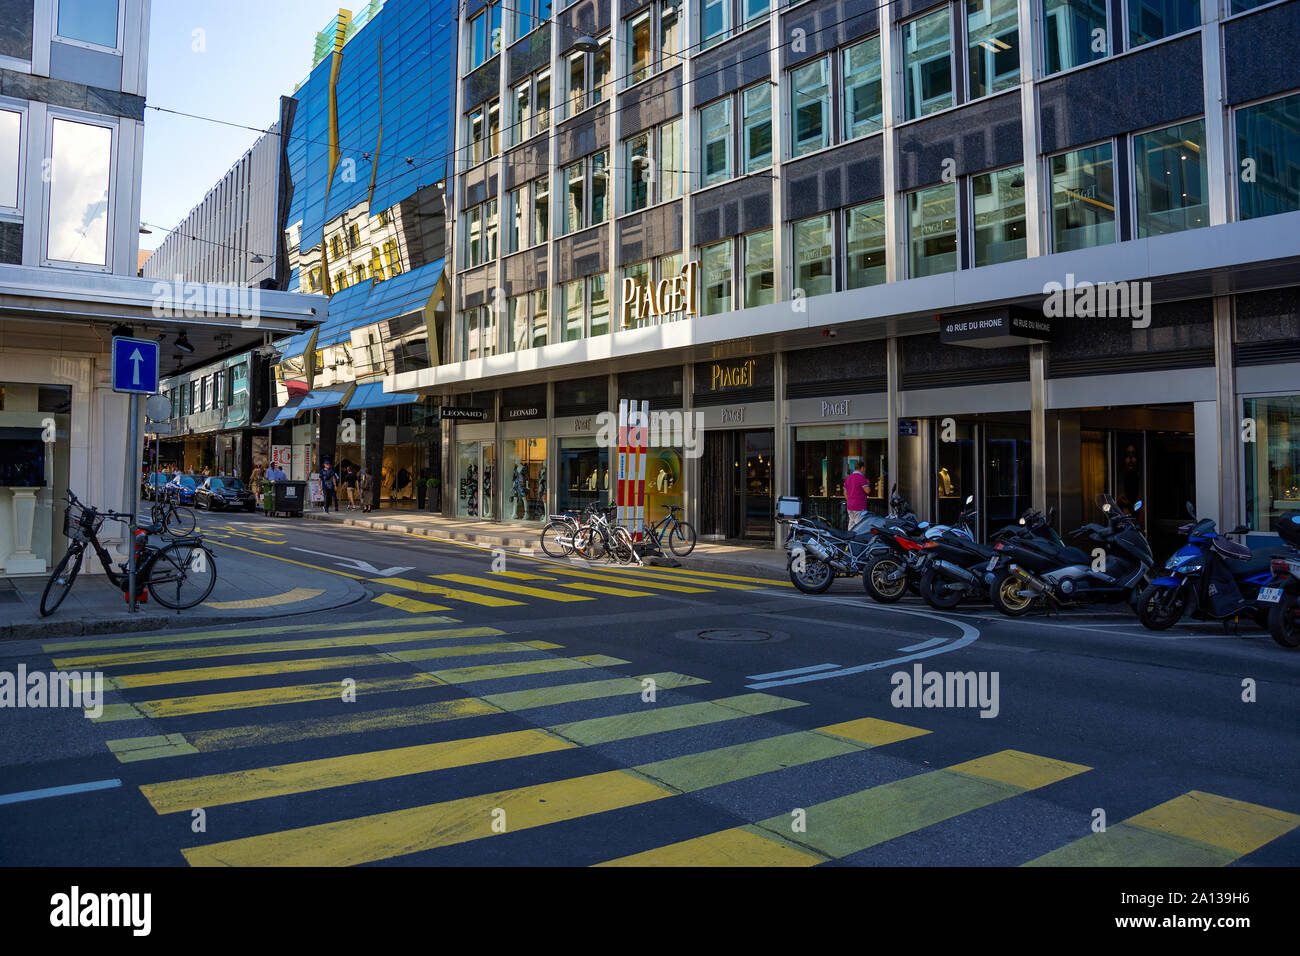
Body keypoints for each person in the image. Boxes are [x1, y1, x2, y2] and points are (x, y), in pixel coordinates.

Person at [845, 460, 870, 530]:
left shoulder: (848, 478)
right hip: (859, 506)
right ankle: (858, 540)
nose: (864, 470)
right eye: (864, 468)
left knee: (851, 524)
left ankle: (849, 539)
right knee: (860, 525)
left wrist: (849, 500)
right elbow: (867, 491)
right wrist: (868, 483)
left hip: (850, 506)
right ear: (862, 468)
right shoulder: (862, 477)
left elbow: (845, 492)